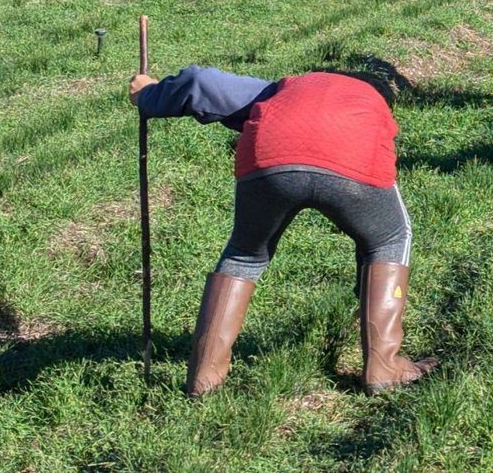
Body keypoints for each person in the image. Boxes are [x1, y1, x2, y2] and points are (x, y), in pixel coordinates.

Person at [129, 65, 439, 396]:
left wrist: (148, 94)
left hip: (270, 157)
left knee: (244, 256)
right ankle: (383, 368)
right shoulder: (373, 101)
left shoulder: (283, 89)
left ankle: (204, 380)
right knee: (389, 239)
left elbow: (202, 84)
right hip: (352, 160)